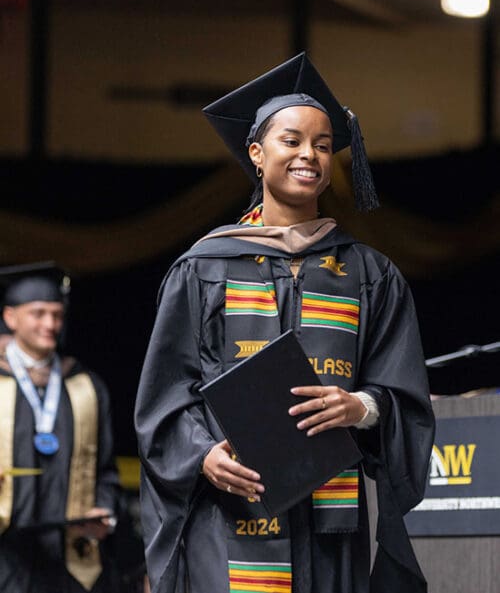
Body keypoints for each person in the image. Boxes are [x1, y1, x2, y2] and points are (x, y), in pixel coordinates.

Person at [135, 53, 435, 593]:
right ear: (256, 152)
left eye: (323, 145)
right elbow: (164, 398)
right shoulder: (205, 268)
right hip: (230, 520)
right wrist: (202, 456)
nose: (309, 155)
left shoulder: (369, 274)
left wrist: (361, 407)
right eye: (291, 141)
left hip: (331, 521)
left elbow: (403, 393)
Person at [0, 262, 121, 593]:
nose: (50, 324)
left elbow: (106, 471)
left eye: (56, 314)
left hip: (70, 559)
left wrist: (105, 512)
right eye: (38, 314)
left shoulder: (84, 386)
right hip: (6, 557)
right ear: (11, 318)